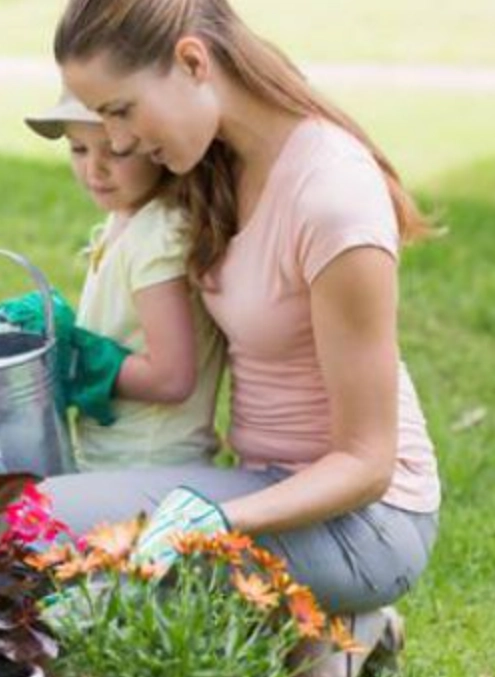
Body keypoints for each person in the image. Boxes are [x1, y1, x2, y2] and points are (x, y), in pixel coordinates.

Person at [41, 0, 440, 674]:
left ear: (193, 62)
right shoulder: (217, 159)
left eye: (120, 110)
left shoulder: (332, 197)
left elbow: (367, 463)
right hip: (260, 484)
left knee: (86, 584)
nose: (121, 141)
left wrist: (217, 521)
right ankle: (315, 625)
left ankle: (343, 622)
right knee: (30, 523)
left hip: (367, 522)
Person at [0, 90, 225, 498]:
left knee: (6, 521)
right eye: (78, 149)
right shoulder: (125, 219)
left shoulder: (159, 236)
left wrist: (73, 357)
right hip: (107, 462)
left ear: (157, 146)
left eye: (116, 151)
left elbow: (172, 378)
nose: (94, 169)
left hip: (152, 470)